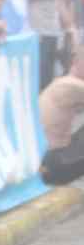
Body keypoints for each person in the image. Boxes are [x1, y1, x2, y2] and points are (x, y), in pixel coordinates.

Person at [39, 45, 84, 183]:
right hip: (50, 161)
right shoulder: (70, 85)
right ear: (76, 61)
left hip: (48, 157)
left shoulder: (62, 82)